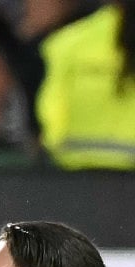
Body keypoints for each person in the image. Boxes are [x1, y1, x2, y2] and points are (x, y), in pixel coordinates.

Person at [36, 0, 135, 170]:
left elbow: (51, 105)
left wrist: (54, 144)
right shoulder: (69, 42)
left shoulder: (70, 41)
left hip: (74, 168)